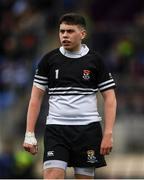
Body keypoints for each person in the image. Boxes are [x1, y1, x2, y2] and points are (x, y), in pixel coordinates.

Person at [23, 13, 117, 179]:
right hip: (56, 130)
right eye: (62, 31)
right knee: (52, 176)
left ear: (83, 34)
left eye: (70, 31)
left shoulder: (95, 61)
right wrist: (29, 134)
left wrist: (108, 133)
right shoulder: (49, 60)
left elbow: (110, 98)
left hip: (88, 131)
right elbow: (35, 99)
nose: (65, 35)